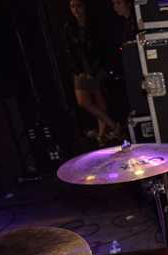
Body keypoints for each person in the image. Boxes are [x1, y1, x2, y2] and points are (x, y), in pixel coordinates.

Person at [64, 0, 121, 147]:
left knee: (99, 101)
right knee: (83, 102)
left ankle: (102, 134)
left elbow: (101, 49)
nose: (75, 9)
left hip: (95, 69)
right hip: (80, 71)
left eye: (78, 5)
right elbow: (69, 51)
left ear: (85, 7)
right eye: (72, 6)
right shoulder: (69, 27)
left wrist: (94, 71)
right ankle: (113, 125)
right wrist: (78, 71)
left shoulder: (93, 25)